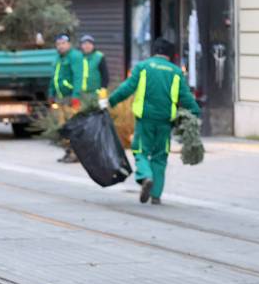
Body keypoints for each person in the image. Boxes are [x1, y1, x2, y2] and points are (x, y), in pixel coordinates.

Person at [102, 38, 200, 205]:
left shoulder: (143, 67)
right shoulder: (176, 72)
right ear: (171, 54)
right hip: (165, 121)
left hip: (145, 119)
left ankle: (145, 177)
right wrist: (196, 113)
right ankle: (156, 195)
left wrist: (110, 101)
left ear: (153, 51)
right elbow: (186, 96)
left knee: (140, 151)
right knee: (160, 157)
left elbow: (127, 88)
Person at [48, 33, 83, 163]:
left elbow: (78, 77)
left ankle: (76, 153)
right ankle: (68, 151)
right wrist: (50, 93)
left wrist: (76, 96)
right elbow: (54, 78)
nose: (61, 46)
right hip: (59, 97)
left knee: (73, 126)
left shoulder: (75, 56)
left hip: (70, 97)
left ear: (69, 44)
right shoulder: (57, 58)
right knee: (62, 127)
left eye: (63, 43)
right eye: (58, 44)